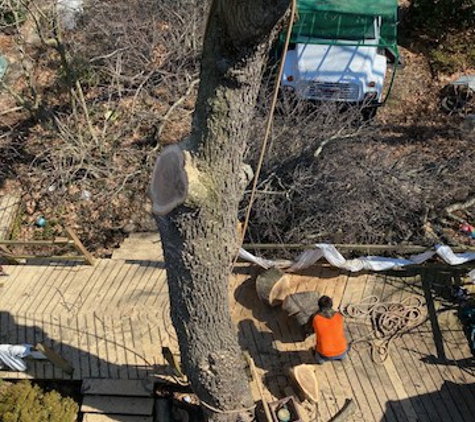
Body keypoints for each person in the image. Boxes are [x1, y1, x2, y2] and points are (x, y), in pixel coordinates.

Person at [312, 295, 348, 364]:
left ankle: (321, 361)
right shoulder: (339, 316)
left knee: (318, 357)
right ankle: (341, 358)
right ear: (331, 305)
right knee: (342, 351)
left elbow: (309, 329)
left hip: (325, 353)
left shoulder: (316, 318)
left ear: (319, 306)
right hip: (342, 350)